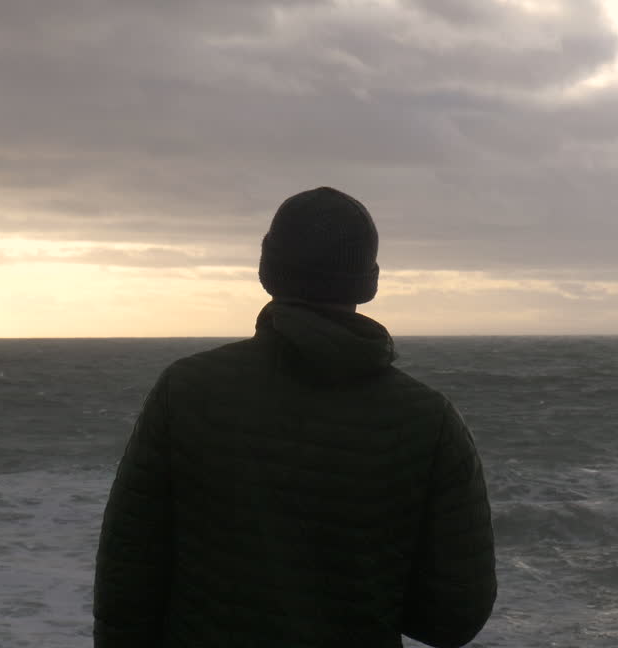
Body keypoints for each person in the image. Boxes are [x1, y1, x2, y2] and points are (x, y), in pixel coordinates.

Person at [93, 187, 496, 647]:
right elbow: (454, 618)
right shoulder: (429, 420)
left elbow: (127, 579)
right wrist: (364, 582)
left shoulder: (185, 390)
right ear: (367, 281)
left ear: (268, 270)